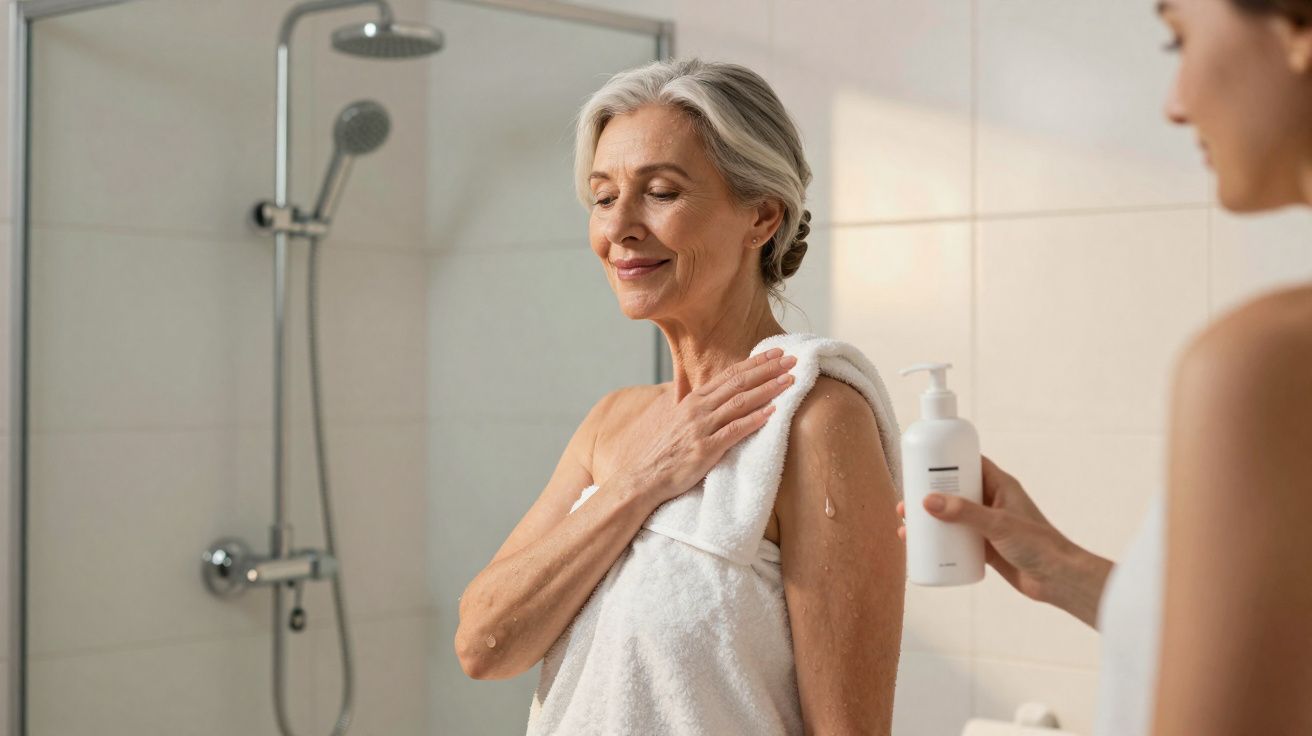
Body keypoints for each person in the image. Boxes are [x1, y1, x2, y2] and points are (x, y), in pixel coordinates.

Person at [456, 59, 904, 734]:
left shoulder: (814, 419)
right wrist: (645, 478)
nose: (621, 229)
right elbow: (485, 643)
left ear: (761, 216)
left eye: (660, 192)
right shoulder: (613, 425)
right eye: (603, 198)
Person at [899, 2, 1312, 733]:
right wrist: (1063, 570)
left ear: (1298, 30)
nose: (1175, 104)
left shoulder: (1269, 362)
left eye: (1178, 39)